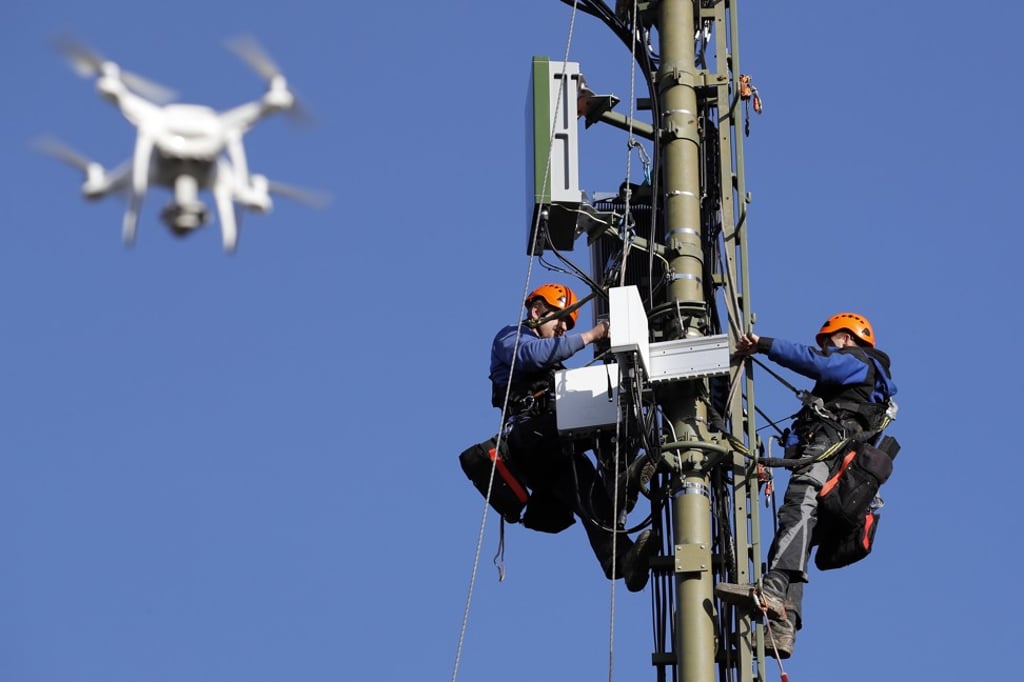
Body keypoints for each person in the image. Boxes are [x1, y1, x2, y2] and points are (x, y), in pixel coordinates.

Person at [716, 312, 897, 658]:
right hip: (840, 475)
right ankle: (784, 628)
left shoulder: (859, 362)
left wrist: (763, 345)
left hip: (827, 457)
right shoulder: (866, 389)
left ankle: (772, 591)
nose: (828, 349)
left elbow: (818, 364)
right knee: (801, 536)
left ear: (846, 339)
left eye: (831, 343)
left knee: (796, 511)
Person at [489, 283, 656, 592]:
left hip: (554, 447)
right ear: (536, 311)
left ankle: (620, 556)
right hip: (529, 438)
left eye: (569, 325)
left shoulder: (551, 357)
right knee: (602, 410)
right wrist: (593, 334)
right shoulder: (511, 338)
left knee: (591, 493)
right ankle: (622, 483)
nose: (564, 329)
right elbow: (531, 356)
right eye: (560, 319)